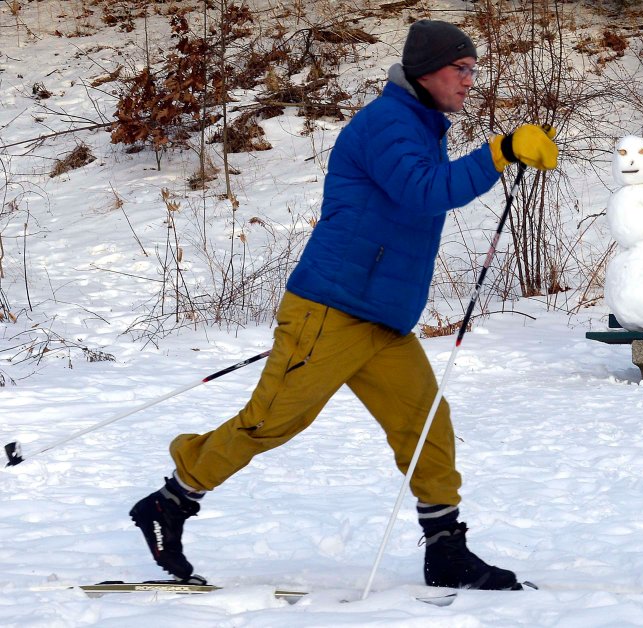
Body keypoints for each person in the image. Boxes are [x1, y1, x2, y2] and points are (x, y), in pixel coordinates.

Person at [128, 19, 558, 591]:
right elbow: (425, 192)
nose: (469, 80)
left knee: (426, 425)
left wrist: (494, 156)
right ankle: (169, 502)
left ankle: (446, 550)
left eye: (472, 69)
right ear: (428, 71)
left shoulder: (422, 126)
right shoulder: (386, 124)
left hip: (381, 320)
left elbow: (421, 197)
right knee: (272, 423)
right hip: (330, 309)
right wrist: (501, 150)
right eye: (462, 69)